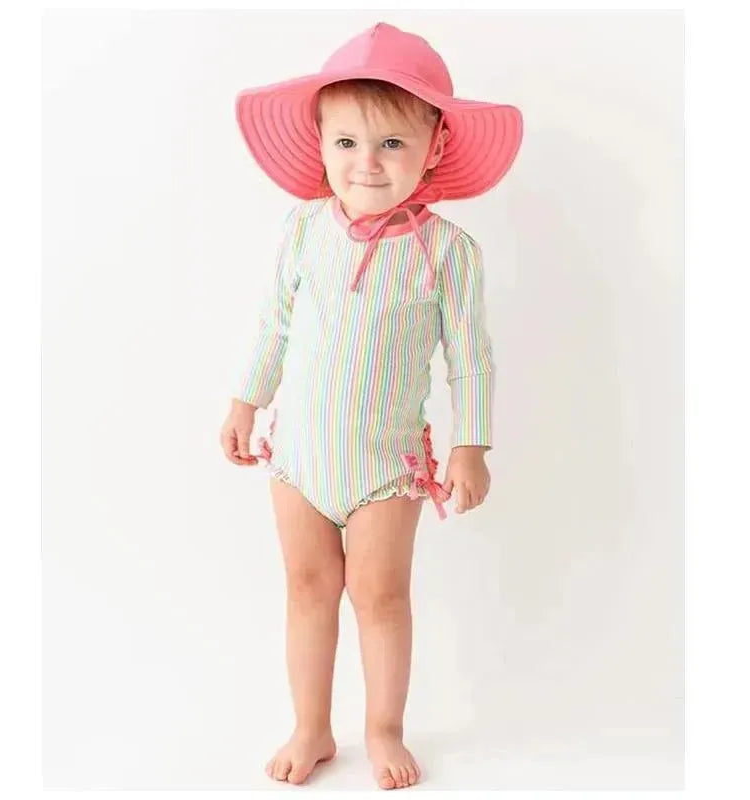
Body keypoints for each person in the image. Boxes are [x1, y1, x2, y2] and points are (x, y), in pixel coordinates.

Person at [219, 21, 522, 790]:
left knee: (380, 597)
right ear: (321, 144)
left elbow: (470, 357)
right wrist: (246, 401)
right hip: (298, 457)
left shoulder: (448, 251)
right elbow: (274, 324)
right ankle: (311, 725)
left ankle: (383, 728)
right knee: (307, 589)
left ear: (434, 148)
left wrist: (471, 446)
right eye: (347, 142)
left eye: (391, 143)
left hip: (385, 466)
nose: (368, 162)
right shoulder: (302, 230)